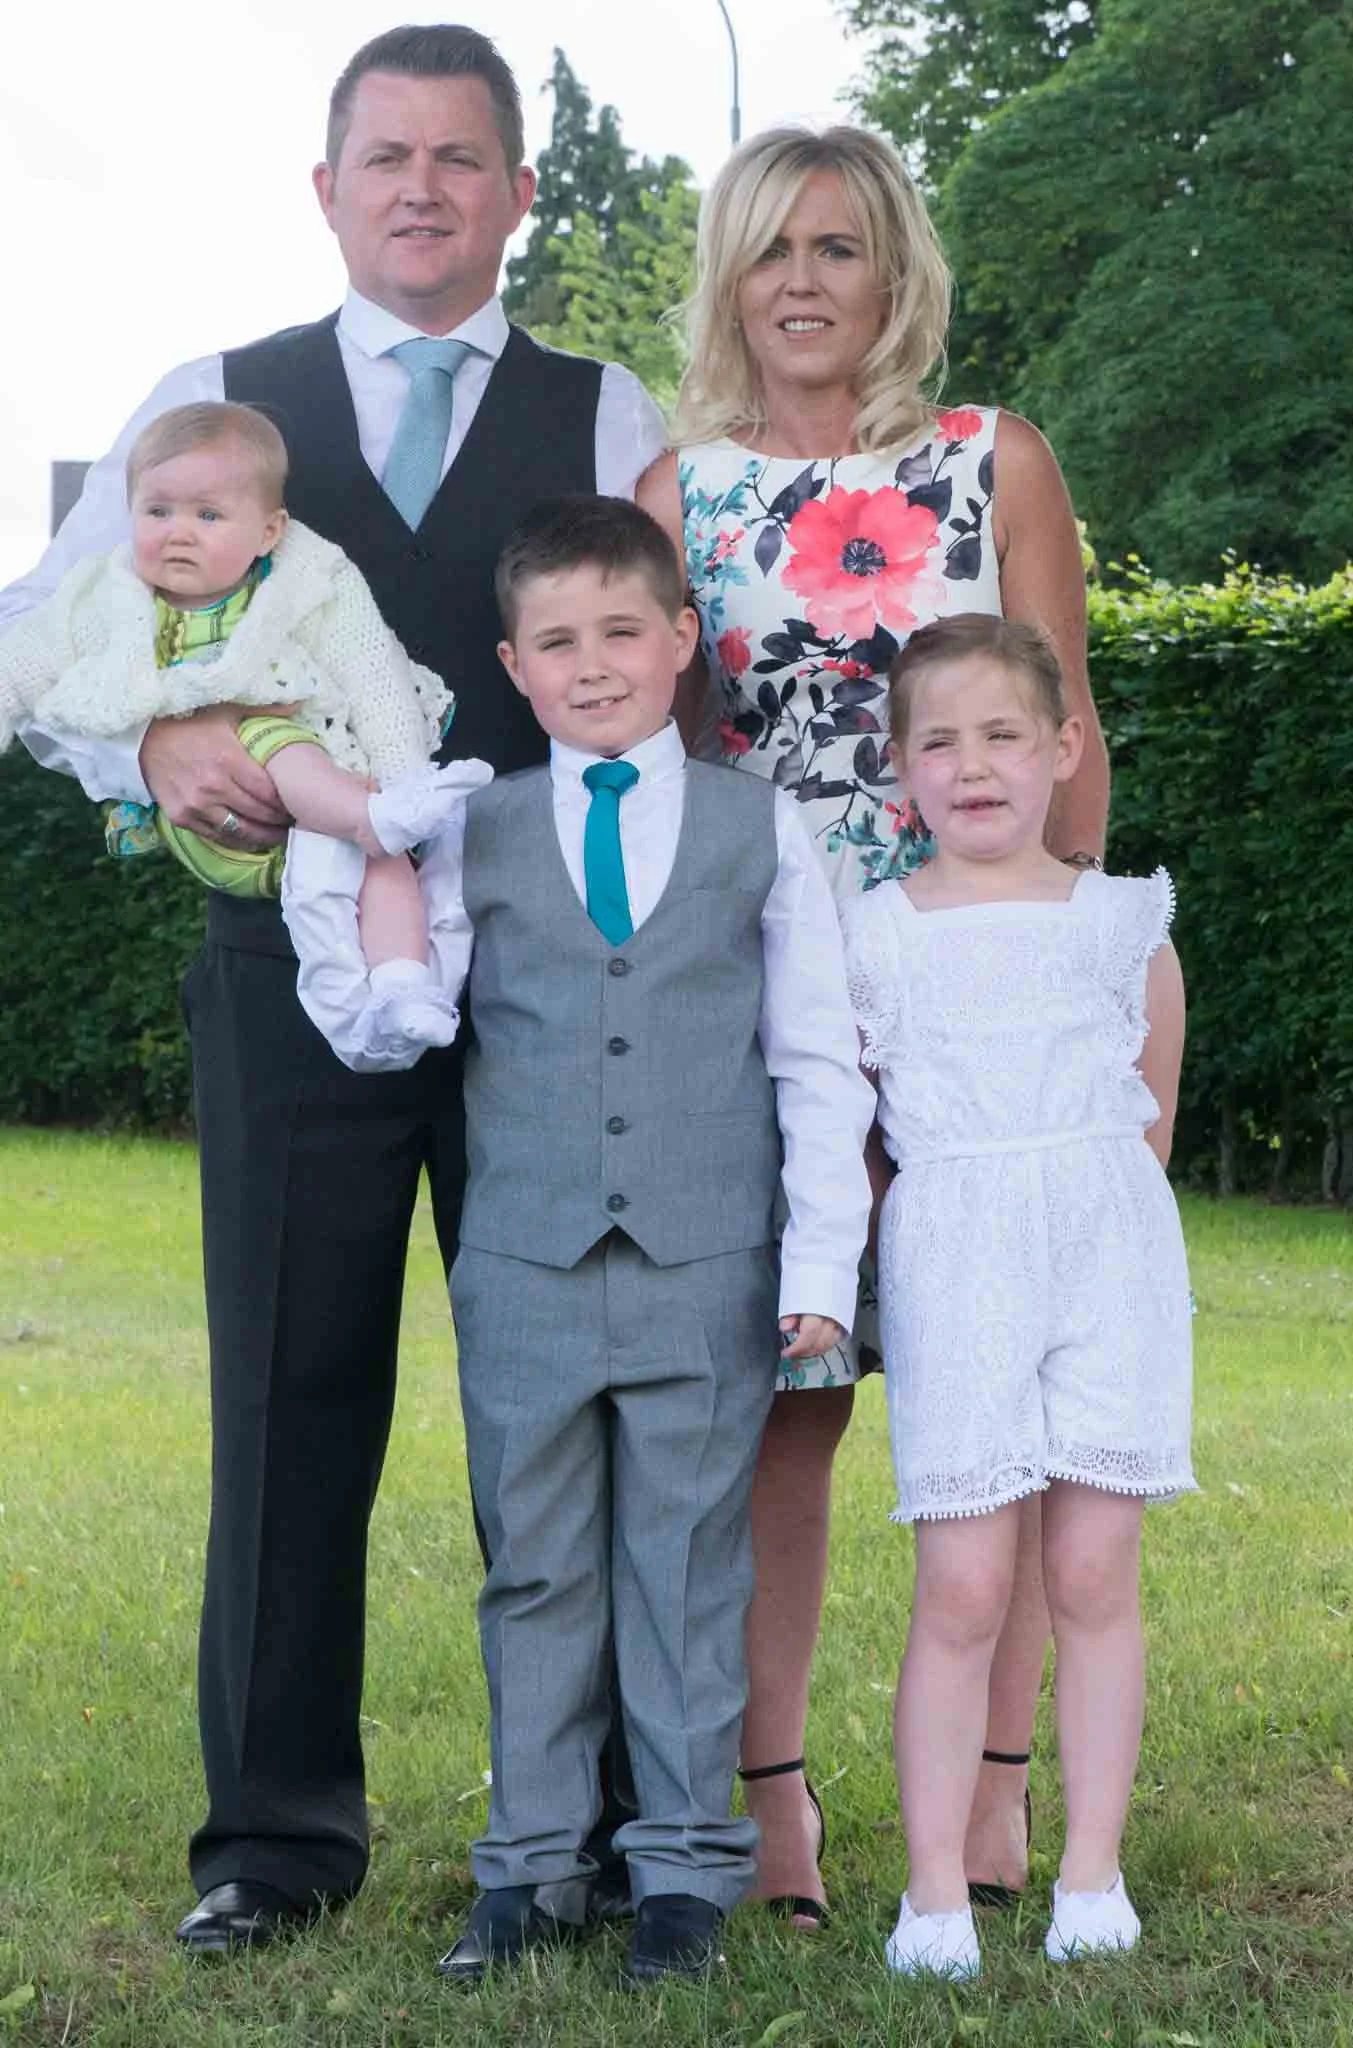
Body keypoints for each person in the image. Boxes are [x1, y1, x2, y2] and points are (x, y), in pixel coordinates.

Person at [1, 25, 667, 1952]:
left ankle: (581, 1825)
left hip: (551, 973)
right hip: (283, 973)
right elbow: (40, 636)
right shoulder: (214, 401)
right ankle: (274, 1838)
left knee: (560, 1401)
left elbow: (666, 673)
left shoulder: (608, 409)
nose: (420, 190)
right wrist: (146, 748)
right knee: (289, 1391)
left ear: (518, 190)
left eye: (460, 158)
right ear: (325, 186)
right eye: (386, 156)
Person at [637, 122, 1109, 1925]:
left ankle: (995, 1791)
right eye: (769, 249)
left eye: (835, 246)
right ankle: (773, 1798)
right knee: (793, 1402)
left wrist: (1060, 965)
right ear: (729, 279)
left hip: (980, 984)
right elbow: (657, 769)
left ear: (893, 270)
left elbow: (1071, 737)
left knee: (1002, 1394)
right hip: (768, 1003)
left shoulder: (997, 460)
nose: (801, 281)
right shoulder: (683, 494)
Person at [418, 495, 873, 1986]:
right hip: (525, 1267)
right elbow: (403, 1006)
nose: (593, 663)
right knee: (534, 1567)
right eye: (557, 641)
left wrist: (819, 1269)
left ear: (683, 640)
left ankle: (681, 1871)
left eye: (622, 630)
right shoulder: (472, 829)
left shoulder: (760, 827)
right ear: (515, 665)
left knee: (686, 1566)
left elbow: (815, 1059)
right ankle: (530, 1867)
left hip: (705, 1264)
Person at [841, 613, 1192, 1979]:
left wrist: (1093, 1234)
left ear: (1063, 746)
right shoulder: (874, 938)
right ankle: (935, 1892)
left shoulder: (1124, 924)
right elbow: (857, 1135)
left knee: (1094, 1566)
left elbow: (1148, 1122)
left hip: (1107, 1259)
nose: (973, 764)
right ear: (900, 768)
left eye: (1003, 734)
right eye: (940, 741)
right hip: (957, 1260)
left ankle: (1091, 1873)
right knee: (965, 1579)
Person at [0, 399, 490, 1071]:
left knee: (376, 870)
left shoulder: (304, 585)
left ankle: (398, 990)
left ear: (268, 532)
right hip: (208, 821)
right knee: (276, 739)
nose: (178, 533)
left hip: (310, 823)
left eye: (207, 516)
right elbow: (19, 664)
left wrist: (404, 776)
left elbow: (374, 675)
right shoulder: (101, 601)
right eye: (157, 511)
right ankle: (370, 815)